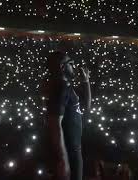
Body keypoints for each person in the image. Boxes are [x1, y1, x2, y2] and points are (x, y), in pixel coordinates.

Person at [47, 51, 91, 180]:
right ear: (62, 67)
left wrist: (86, 81)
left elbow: (86, 106)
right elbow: (55, 124)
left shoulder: (67, 87)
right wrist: (63, 159)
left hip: (74, 149)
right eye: (71, 63)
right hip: (69, 152)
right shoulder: (60, 89)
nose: (74, 66)